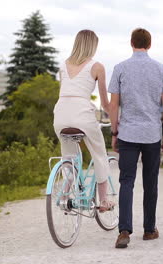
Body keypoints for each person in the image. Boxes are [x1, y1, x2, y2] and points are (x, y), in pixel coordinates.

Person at [108, 28, 163, 248]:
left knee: (126, 181)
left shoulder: (120, 68)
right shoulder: (161, 69)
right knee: (150, 182)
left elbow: (114, 105)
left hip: (127, 132)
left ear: (131, 43)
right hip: (152, 134)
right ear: (150, 44)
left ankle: (124, 231)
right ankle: (149, 230)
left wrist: (114, 133)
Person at [53, 29, 114, 212]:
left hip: (60, 115)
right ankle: (103, 201)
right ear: (92, 46)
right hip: (82, 114)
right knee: (100, 154)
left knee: (69, 158)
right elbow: (105, 103)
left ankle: (64, 196)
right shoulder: (97, 67)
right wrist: (115, 119)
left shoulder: (63, 65)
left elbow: (65, 93)